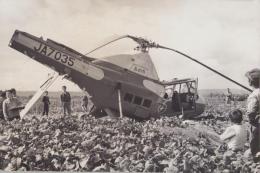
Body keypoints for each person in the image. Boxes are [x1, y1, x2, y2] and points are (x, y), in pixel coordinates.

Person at [245, 68, 260, 161]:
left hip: (257, 124)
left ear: (251, 81)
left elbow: (251, 112)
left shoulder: (254, 95)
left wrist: (251, 121)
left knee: (255, 147)